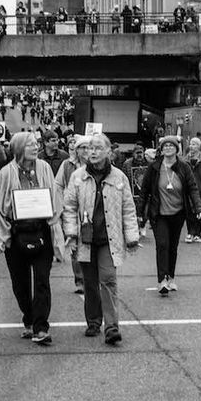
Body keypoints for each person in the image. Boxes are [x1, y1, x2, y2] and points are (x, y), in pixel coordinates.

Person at [62, 134, 139, 344]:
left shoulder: (119, 177)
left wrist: (132, 236)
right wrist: (70, 232)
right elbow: (69, 207)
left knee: (108, 280)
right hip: (85, 238)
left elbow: (128, 209)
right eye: (89, 148)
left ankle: (112, 326)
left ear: (108, 152)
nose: (92, 152)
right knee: (90, 283)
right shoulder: (78, 176)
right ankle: (93, 321)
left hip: (109, 239)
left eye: (97, 148)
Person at [0, 132, 64, 345]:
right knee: (20, 284)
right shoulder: (6, 173)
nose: (35, 147)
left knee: (42, 281)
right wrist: (4, 235)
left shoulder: (45, 168)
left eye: (36, 144)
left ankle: (41, 328)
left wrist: (54, 223)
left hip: (41, 230)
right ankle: (29, 319)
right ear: (19, 148)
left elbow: (54, 196)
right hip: (16, 233)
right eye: (30, 145)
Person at [138, 136, 201, 296]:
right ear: (161, 149)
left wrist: (198, 206)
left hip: (178, 213)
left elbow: (193, 188)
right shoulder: (154, 167)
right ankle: (162, 281)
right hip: (159, 214)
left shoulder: (184, 167)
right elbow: (144, 191)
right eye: (165, 146)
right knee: (162, 245)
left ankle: (171, 277)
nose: (168, 148)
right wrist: (140, 212)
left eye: (171, 145)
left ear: (176, 149)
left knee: (173, 247)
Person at [56, 135, 91, 293]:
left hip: (91, 210)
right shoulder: (66, 165)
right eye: (82, 147)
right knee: (74, 245)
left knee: (91, 243)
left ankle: (91, 278)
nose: (85, 150)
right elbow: (58, 186)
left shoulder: (97, 164)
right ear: (76, 150)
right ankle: (80, 281)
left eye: (88, 147)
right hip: (71, 210)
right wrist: (61, 207)